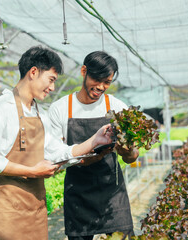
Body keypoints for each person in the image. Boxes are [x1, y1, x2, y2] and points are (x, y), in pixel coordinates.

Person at [0, 46, 113, 240]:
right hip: (7, 212)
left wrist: (95, 140)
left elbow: (57, 152)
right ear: (33, 72)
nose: (53, 88)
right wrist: (31, 172)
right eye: (51, 80)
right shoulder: (1, 108)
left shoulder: (40, 115)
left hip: (36, 210)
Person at [48, 51, 139, 240]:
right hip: (78, 192)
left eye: (107, 82)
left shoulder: (116, 106)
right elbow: (55, 157)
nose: (101, 87)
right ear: (84, 71)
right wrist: (86, 158)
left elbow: (132, 157)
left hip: (112, 191)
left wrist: (127, 150)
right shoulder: (60, 109)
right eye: (97, 79)